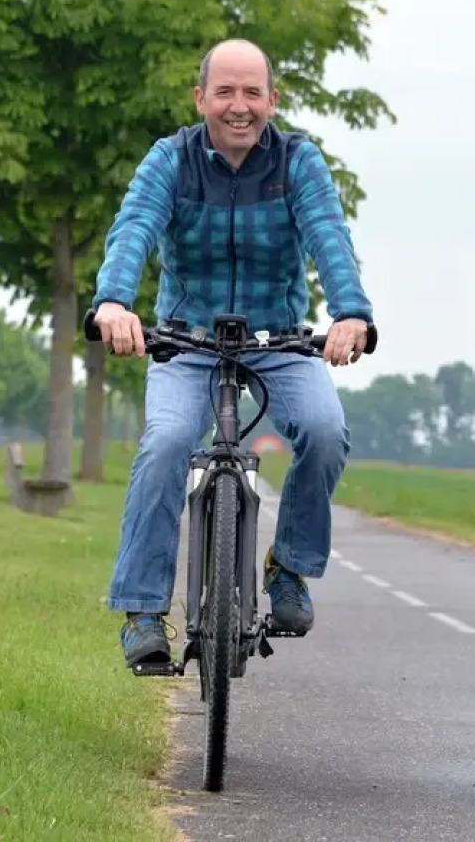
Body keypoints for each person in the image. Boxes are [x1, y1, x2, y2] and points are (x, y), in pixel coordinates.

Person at [91, 38, 375, 669]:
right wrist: (113, 302)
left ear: (272, 100)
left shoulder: (298, 161)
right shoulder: (170, 159)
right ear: (201, 99)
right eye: (225, 92)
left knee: (326, 430)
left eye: (252, 92)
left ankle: (290, 567)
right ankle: (142, 611)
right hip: (186, 339)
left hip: (279, 337)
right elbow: (134, 226)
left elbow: (329, 235)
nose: (239, 106)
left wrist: (351, 313)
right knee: (166, 443)